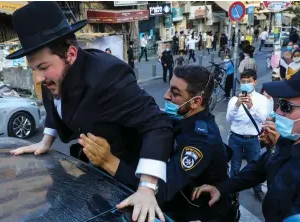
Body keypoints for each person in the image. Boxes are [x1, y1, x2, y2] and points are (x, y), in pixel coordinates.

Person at [6, 2, 173, 222]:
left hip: (130, 177)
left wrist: (147, 187)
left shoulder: (108, 77)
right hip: (93, 175)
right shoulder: (56, 76)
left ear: (71, 54)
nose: (38, 78)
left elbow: (158, 124)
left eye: (44, 68)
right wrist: (46, 141)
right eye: (34, 69)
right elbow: (54, 101)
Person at [192, 62, 300, 222]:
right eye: (278, 103)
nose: (277, 112)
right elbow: (260, 167)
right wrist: (222, 188)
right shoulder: (294, 137)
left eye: (285, 106)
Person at [79, 65, 238, 221]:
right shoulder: (182, 119)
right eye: (169, 88)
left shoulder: (200, 141)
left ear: (196, 102)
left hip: (201, 213)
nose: (166, 96)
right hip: (180, 201)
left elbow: (159, 190)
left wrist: (109, 162)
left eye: (175, 93)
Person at [226, 69, 268, 202]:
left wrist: (251, 107)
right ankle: (233, 190)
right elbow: (229, 119)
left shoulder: (262, 99)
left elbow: (263, 119)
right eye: (243, 82)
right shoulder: (234, 99)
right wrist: (237, 105)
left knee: (255, 166)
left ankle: (257, 190)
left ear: (255, 82)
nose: (245, 84)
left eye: (248, 81)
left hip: (252, 139)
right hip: (235, 138)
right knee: (235, 166)